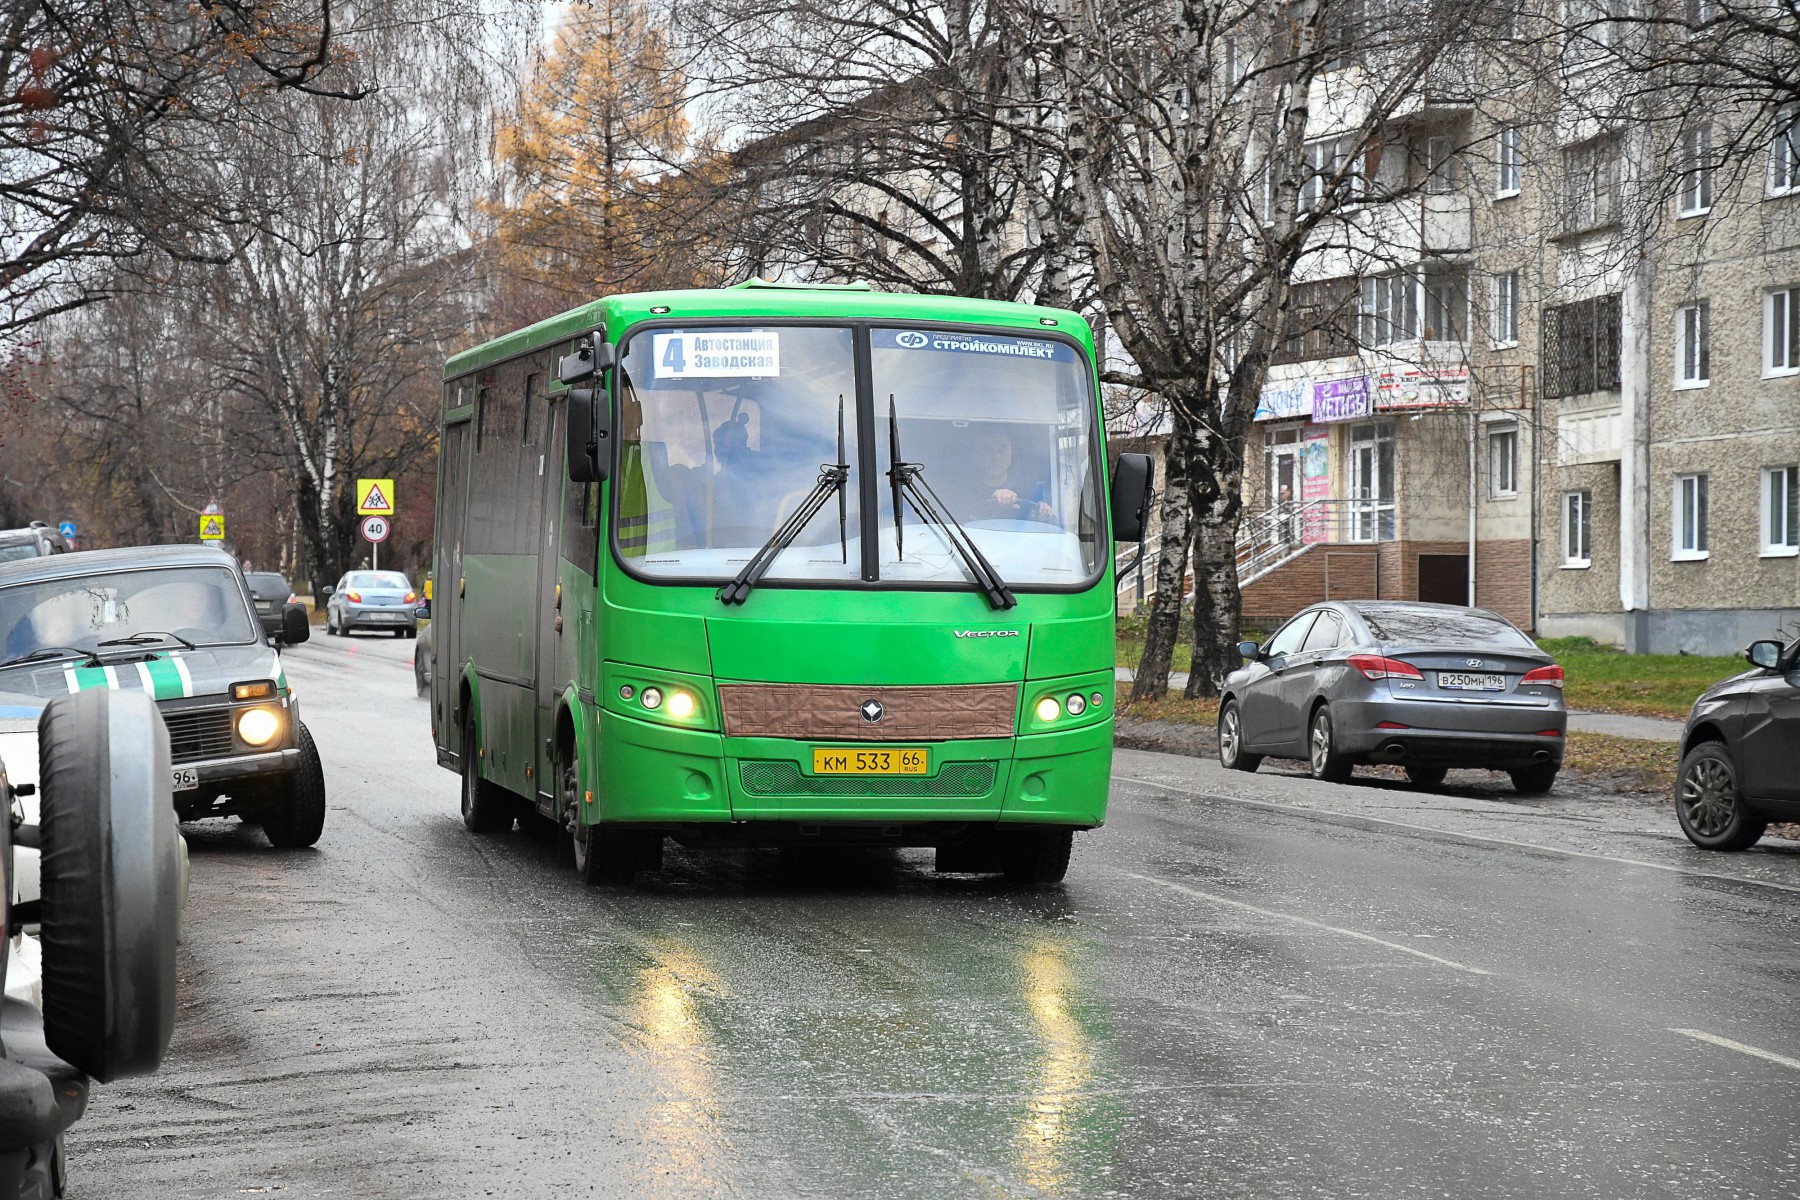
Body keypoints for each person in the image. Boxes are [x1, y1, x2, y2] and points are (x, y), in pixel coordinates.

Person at [955, 431, 1056, 524]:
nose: (996, 457)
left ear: (1010, 458)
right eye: (988, 450)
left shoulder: (1028, 492)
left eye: (1002, 450)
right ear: (977, 456)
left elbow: (1033, 527)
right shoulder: (962, 490)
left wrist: (1042, 514)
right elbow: (958, 520)